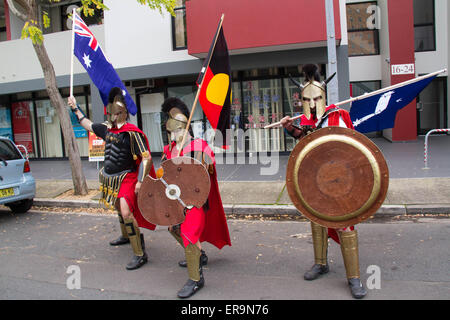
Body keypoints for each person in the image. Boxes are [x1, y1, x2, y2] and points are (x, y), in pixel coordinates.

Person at [280, 64, 367, 299]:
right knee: (315, 218)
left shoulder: (337, 116)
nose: (311, 103)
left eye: (316, 98)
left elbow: (352, 151)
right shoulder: (308, 121)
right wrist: (290, 129)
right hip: (315, 180)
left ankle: (354, 277)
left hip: (340, 181)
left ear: (323, 97)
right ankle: (321, 263)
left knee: (345, 223)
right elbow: (304, 139)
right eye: (307, 99)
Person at [68, 87, 156, 270]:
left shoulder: (132, 133)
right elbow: (87, 124)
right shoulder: (106, 129)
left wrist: (141, 180)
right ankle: (126, 235)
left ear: (122, 113)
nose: (113, 117)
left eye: (117, 114)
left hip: (127, 177)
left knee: (126, 211)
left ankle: (140, 253)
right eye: (111, 113)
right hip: (110, 178)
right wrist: (75, 108)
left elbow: (146, 157)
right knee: (117, 207)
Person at [160, 97, 231, 298]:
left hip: (194, 202)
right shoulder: (169, 150)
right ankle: (200, 256)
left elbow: (207, 170)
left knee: (189, 235)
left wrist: (197, 157)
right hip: (176, 202)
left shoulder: (200, 146)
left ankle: (196, 279)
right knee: (173, 228)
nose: (174, 134)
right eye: (171, 131)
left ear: (185, 126)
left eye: (177, 129)